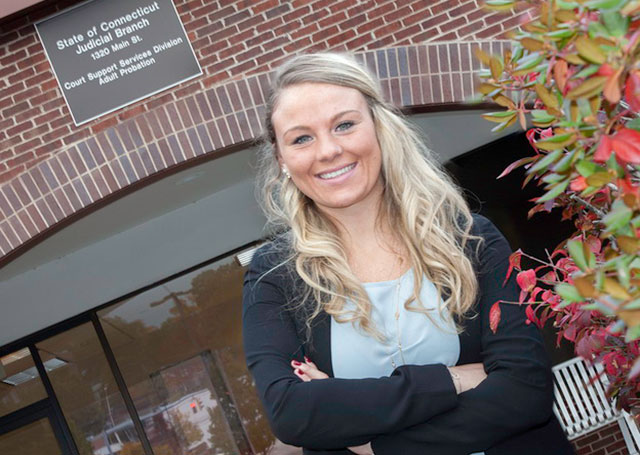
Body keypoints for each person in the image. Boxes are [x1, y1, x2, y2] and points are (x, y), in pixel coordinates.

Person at [242, 52, 574, 455]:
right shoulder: (274, 274)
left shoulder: (469, 238)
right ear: (281, 159)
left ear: (380, 128)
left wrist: (375, 444)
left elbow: (524, 392)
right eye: (301, 138)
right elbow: (294, 412)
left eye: (344, 124)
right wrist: (453, 380)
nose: (328, 150)